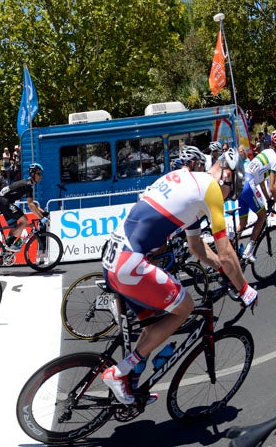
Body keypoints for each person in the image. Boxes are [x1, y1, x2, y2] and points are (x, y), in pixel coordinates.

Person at [100, 149, 257, 404]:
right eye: (232, 194)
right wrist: (245, 289)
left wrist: (220, 270)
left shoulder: (187, 182)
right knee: (185, 307)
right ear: (227, 176)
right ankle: (120, 372)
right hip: (131, 264)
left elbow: (196, 248)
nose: (227, 200)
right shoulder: (211, 190)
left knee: (154, 324)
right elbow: (227, 252)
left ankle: (132, 383)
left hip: (114, 259)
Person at [237, 139, 276, 262]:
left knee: (242, 224)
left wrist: (269, 198)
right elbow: (272, 187)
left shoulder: (267, 152)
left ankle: (229, 248)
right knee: (262, 215)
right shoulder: (275, 159)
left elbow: (261, 182)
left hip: (240, 182)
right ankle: (248, 251)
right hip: (249, 184)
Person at [0, 162, 47, 251]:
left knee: (13, 227)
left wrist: (43, 212)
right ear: (32, 174)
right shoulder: (28, 185)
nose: (41, 176)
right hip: (5, 202)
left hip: (4, 201)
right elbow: (30, 205)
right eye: (38, 174)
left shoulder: (28, 183)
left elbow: (33, 204)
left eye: (41, 174)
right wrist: (41, 217)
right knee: (24, 220)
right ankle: (10, 245)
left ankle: (4, 251)